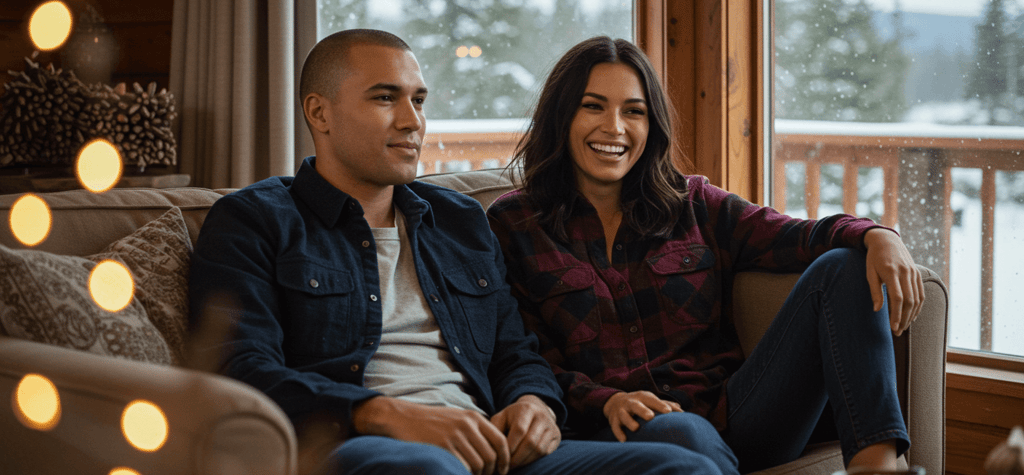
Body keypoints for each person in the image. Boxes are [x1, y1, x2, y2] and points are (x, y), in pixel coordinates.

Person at [189, 29, 719, 475]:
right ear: (319, 113)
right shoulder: (254, 220)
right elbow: (239, 367)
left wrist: (533, 403)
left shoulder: (458, 221)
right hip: (358, 445)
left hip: (490, 447)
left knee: (682, 466)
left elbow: (516, 352)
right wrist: (384, 414)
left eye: (418, 100)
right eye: (384, 97)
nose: (412, 121)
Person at [487, 36, 924, 474]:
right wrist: (606, 400)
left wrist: (876, 234)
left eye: (633, 111)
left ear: (651, 123)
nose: (615, 128)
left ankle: (879, 466)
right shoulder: (514, 224)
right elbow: (522, 356)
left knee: (843, 266)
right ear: (561, 115)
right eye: (593, 106)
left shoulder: (694, 203)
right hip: (613, 432)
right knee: (683, 432)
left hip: (732, 416)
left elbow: (797, 236)